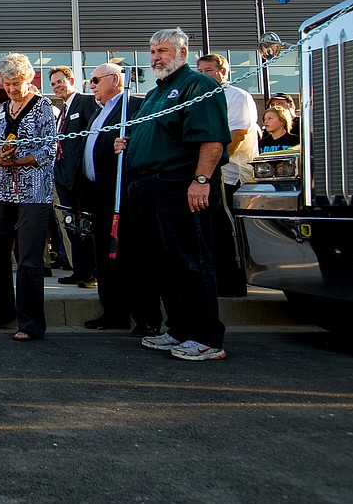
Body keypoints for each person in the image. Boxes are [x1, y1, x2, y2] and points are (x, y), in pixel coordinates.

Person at [115, 28, 231, 362]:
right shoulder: (155, 93)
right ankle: (180, 328)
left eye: (163, 50)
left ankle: (207, 337)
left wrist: (201, 179)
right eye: (152, 51)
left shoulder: (199, 85)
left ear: (182, 52)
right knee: (161, 263)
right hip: (145, 185)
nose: (155, 57)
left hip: (178, 182)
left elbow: (212, 139)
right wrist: (128, 143)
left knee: (190, 259)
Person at [0, 53, 57, 342]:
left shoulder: (44, 107)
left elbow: (49, 152)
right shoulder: (1, 111)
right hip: (2, 190)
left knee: (28, 257)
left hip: (34, 192)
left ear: (29, 80)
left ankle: (32, 322)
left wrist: (16, 162)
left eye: (18, 83)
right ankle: (3, 311)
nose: (12, 88)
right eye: (8, 83)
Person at [77, 63, 148, 332]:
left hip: (122, 193)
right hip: (98, 193)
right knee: (104, 255)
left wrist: (127, 144)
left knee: (128, 255)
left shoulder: (133, 105)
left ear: (115, 79)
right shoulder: (98, 111)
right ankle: (114, 312)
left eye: (95, 80)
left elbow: (138, 140)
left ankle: (143, 317)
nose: (91, 85)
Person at [197, 52, 258, 296]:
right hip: (203, 175)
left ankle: (232, 283)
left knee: (225, 230)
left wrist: (211, 164)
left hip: (230, 175)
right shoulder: (198, 99)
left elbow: (237, 134)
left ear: (224, 72)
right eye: (199, 72)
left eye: (209, 71)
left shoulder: (237, 96)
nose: (203, 76)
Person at [49, 65, 96, 285]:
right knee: (71, 225)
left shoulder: (86, 102)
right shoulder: (62, 112)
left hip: (81, 179)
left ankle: (92, 273)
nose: (57, 86)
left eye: (60, 81)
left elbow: (92, 138)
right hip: (63, 176)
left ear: (71, 80)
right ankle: (79, 270)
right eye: (53, 84)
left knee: (86, 227)